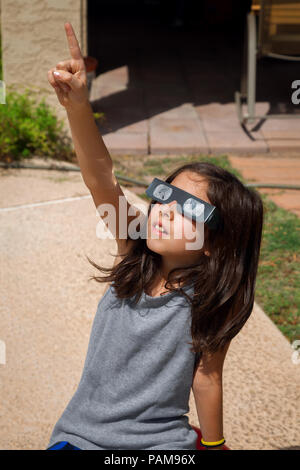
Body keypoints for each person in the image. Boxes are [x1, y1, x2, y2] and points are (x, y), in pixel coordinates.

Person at [46, 22, 264, 451]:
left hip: (165, 445)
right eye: (163, 194)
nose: (163, 209)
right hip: (82, 438)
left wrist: (215, 445)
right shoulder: (135, 249)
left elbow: (208, 376)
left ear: (214, 242)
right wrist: (78, 107)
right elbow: (101, 178)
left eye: (186, 208)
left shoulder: (214, 299)